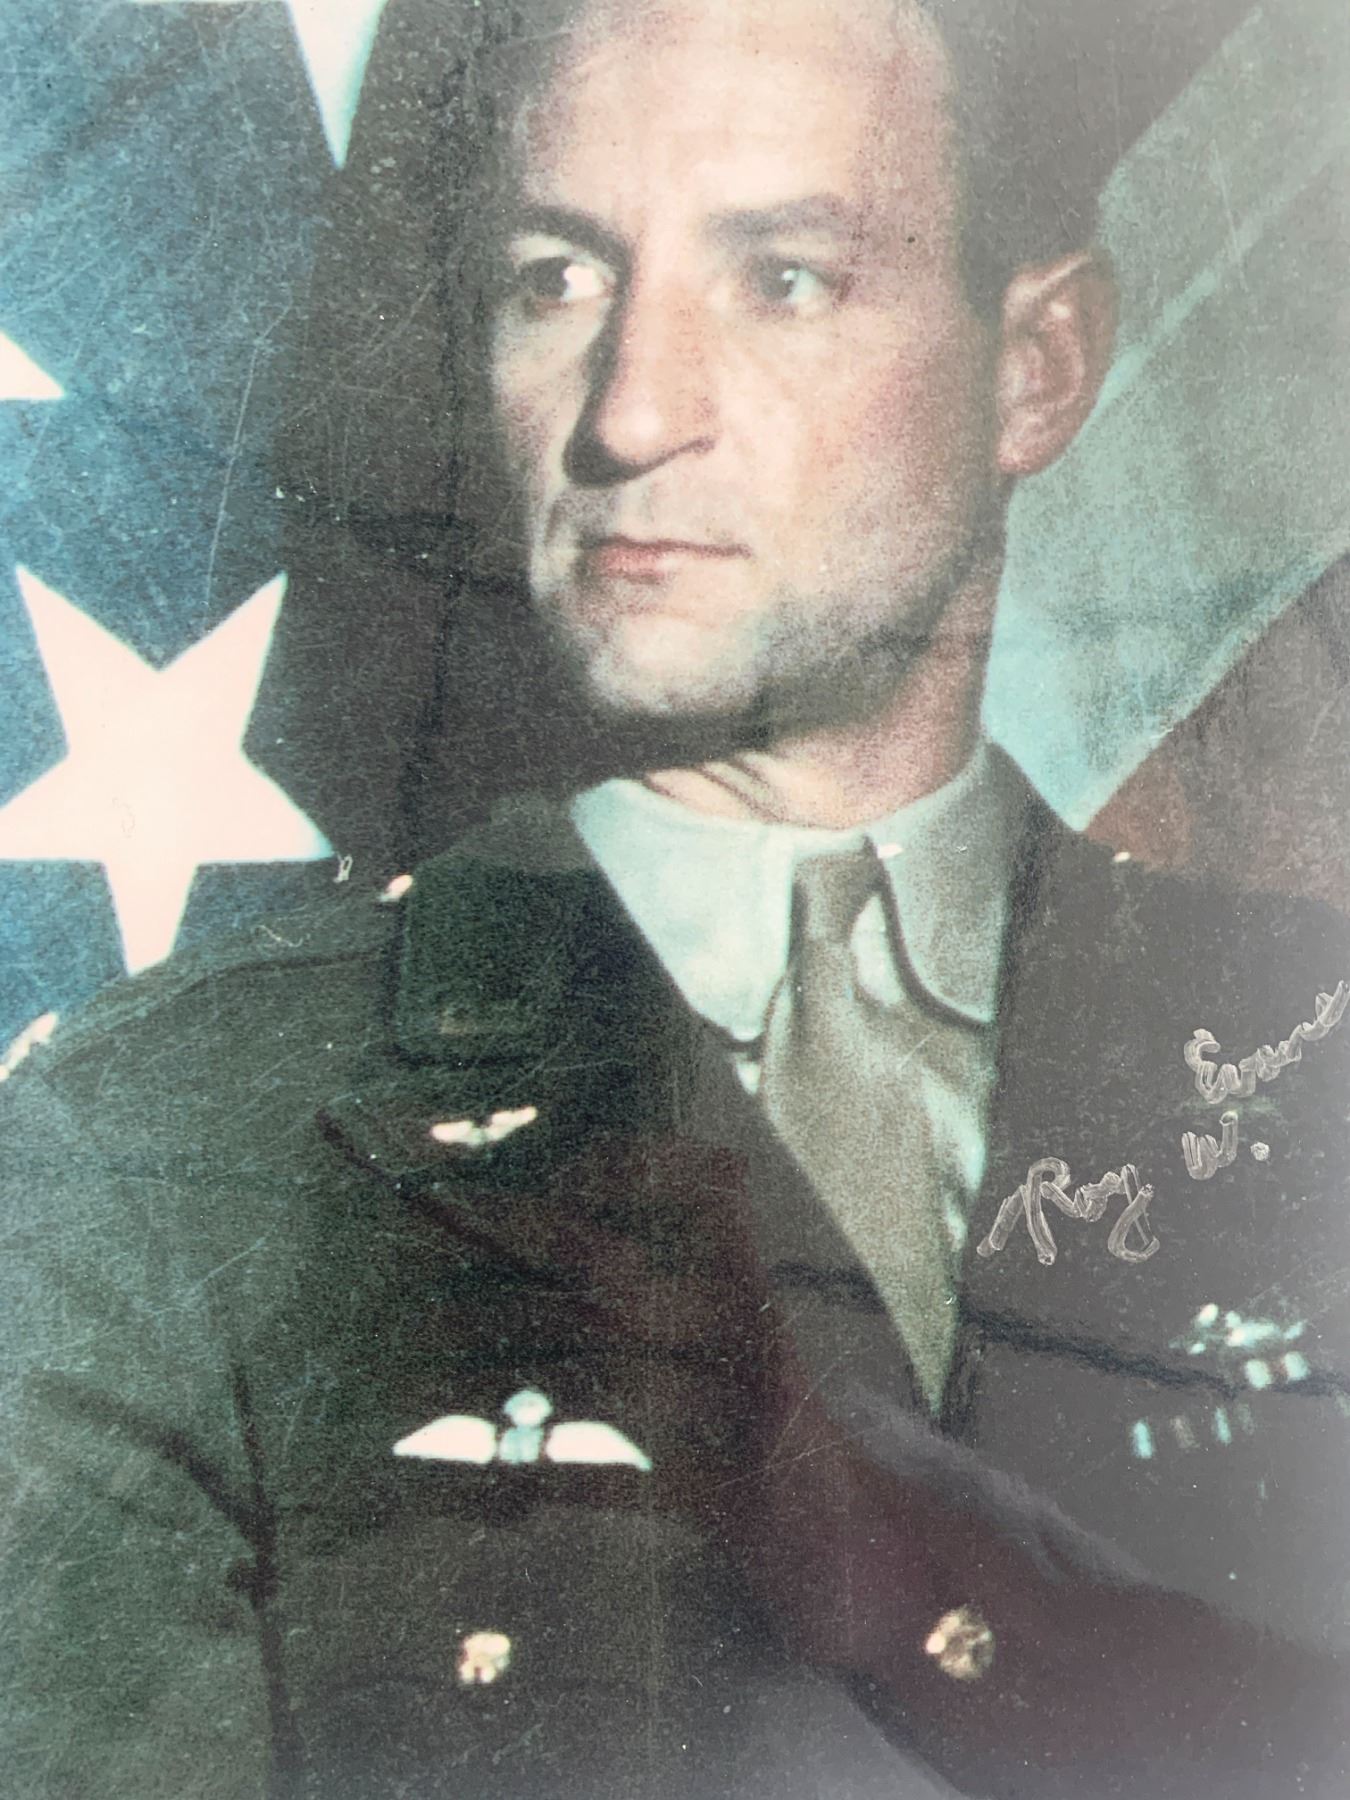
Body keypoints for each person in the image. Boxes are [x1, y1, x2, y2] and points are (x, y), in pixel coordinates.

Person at [3, 0, 1347, 1796]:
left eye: (783, 279)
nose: (629, 412)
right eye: (555, 280)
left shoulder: (1310, 1048)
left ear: (1034, 366)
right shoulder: (163, 1142)